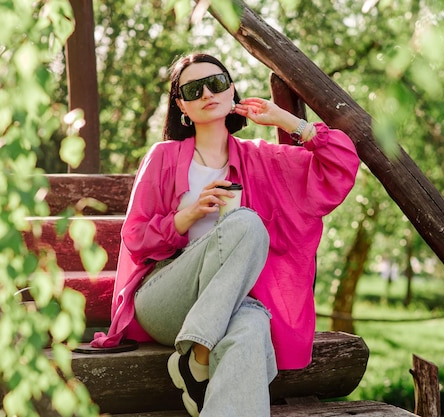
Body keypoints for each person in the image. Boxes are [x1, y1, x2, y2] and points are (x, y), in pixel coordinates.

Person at [90, 53, 360, 417]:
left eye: (216, 83)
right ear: (182, 105)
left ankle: (196, 360)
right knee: (247, 224)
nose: (207, 93)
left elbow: (339, 165)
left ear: (232, 90)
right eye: (192, 89)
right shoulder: (164, 157)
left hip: (231, 305)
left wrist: (285, 120)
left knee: (251, 327)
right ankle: (198, 355)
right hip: (165, 299)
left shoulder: (263, 159)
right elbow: (135, 238)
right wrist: (185, 217)